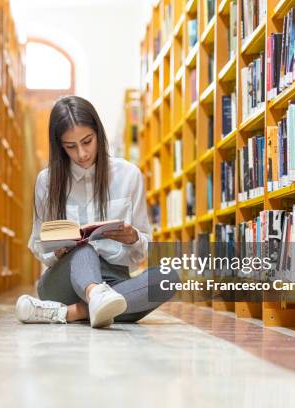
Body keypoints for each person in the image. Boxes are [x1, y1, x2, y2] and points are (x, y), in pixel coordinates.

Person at [16, 95, 180, 328]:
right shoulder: (47, 180)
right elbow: (37, 243)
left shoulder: (129, 175)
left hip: (116, 281)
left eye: (87, 141)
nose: (82, 153)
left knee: (169, 277)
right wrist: (57, 253)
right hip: (64, 280)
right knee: (85, 249)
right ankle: (97, 299)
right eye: (71, 146)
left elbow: (143, 249)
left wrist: (133, 238)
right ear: (59, 146)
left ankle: (72, 312)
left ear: (98, 134)